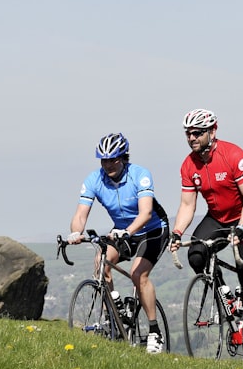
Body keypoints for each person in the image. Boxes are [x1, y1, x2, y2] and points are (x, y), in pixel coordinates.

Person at [168, 108, 243, 363]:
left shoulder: (233, 154)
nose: (191, 138)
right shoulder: (189, 165)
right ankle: (225, 293)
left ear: (212, 131)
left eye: (197, 133)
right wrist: (177, 232)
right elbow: (188, 205)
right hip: (217, 217)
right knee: (197, 256)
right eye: (188, 134)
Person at [67, 132, 170, 354]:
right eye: (103, 160)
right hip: (122, 232)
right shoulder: (94, 179)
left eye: (113, 159)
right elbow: (81, 214)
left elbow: (146, 213)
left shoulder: (140, 175)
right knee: (100, 263)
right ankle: (114, 318)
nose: (108, 165)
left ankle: (154, 332)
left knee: (138, 274)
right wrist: (76, 232)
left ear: (123, 157)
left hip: (152, 230)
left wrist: (127, 231)